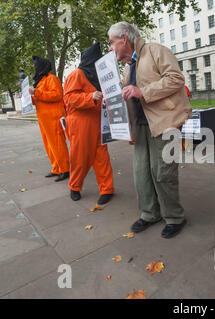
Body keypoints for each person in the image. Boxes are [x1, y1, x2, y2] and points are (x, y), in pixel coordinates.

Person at [107, 22, 192, 239]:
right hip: (143, 127)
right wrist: (113, 102)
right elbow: (131, 95)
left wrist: (142, 91)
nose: (110, 48)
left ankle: (174, 217)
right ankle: (149, 213)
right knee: (141, 175)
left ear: (124, 39)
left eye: (111, 42)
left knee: (163, 174)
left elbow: (176, 79)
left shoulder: (156, 51)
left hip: (167, 122)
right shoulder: (128, 66)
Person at [63, 43, 114, 205]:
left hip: (99, 121)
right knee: (79, 158)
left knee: (102, 156)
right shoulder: (76, 74)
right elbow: (69, 99)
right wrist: (90, 97)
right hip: (80, 124)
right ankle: (75, 187)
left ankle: (107, 189)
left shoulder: (100, 76)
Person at [29, 56, 70, 182]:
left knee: (57, 144)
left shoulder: (52, 79)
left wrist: (36, 92)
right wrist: (29, 97)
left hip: (54, 118)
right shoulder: (41, 81)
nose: (35, 68)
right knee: (49, 145)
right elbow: (38, 100)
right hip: (44, 119)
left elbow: (57, 95)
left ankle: (65, 169)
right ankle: (56, 168)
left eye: (36, 66)